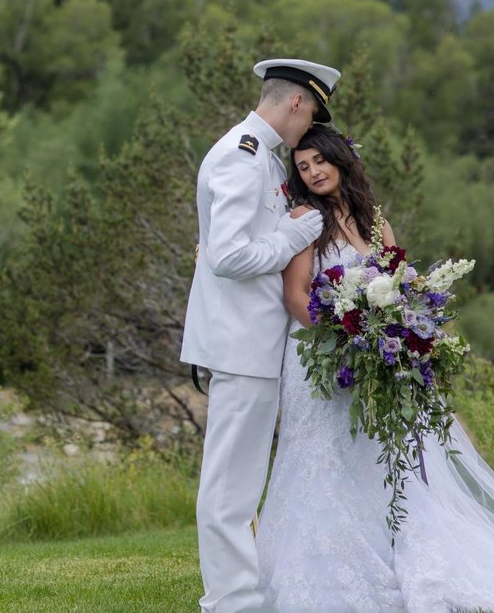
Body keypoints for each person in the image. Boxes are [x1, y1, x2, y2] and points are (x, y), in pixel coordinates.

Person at [255, 124, 494, 612]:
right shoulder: (304, 220)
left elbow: (401, 283)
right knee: (323, 458)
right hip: (322, 356)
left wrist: (409, 327)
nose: (313, 172)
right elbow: (295, 295)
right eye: (303, 167)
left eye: (320, 161)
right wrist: (343, 336)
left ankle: (393, 552)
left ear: (341, 160)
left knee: (374, 456)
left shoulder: (375, 223)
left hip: (371, 354)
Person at [181, 58, 340, 613]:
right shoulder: (240, 157)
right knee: (229, 490)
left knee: (241, 483)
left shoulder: (262, 157)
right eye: (313, 112)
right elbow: (227, 256)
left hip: (253, 341)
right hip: (238, 342)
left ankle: (240, 596)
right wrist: (295, 232)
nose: (309, 126)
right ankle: (232, 603)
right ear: (297, 101)